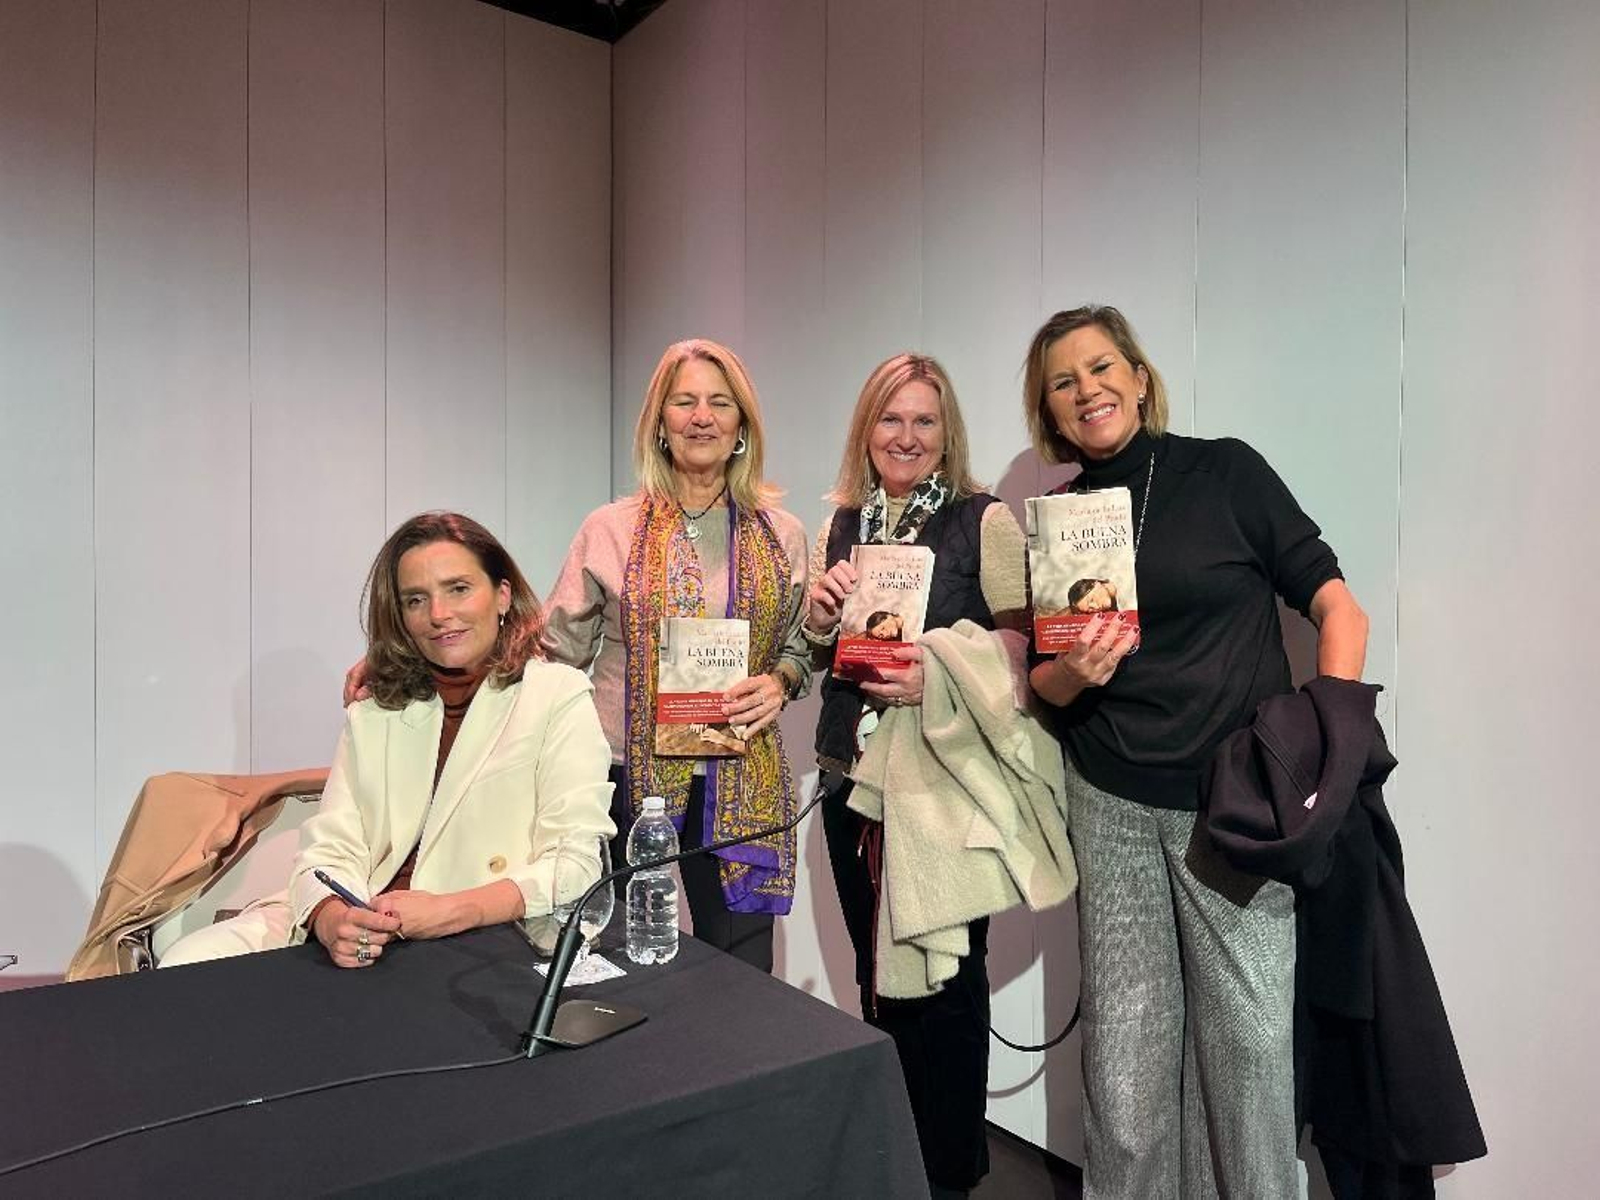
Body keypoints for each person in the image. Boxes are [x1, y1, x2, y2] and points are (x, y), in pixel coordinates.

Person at [1022, 305, 1369, 1197]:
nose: (1088, 389)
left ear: (1138, 377)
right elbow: (1044, 687)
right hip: (1108, 800)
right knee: (1128, 1066)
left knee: (1250, 1051)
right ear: (1050, 412)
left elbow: (1339, 608)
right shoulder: (1059, 519)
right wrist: (1073, 670)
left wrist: (1330, 747)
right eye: (1065, 382)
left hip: (1233, 804)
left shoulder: (1227, 473)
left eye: (1102, 368)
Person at [162, 512, 615, 967]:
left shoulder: (556, 694)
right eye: (416, 600)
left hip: (483, 931)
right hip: (364, 919)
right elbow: (329, 847)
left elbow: (575, 865)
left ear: (502, 595)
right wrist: (329, 916)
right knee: (190, 958)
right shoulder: (378, 707)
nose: (439, 615)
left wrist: (453, 909)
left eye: (458, 589)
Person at [804, 353, 1029, 1198]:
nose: (906, 436)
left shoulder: (984, 520)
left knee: (948, 983)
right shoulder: (845, 526)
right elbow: (832, 650)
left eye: (923, 421)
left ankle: (951, 1175)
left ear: (947, 433)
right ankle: (899, 1163)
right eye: (890, 419)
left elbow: (1021, 645)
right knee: (878, 973)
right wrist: (822, 614)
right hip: (848, 774)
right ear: (867, 428)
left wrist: (936, 672)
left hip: (939, 779)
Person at [538, 339, 812, 973]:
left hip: (740, 777)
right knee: (626, 968)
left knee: (741, 980)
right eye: (684, 401)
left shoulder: (783, 533)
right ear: (659, 422)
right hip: (624, 779)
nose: (702, 416)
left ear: (742, 424)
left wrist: (782, 681)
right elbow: (555, 651)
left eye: (720, 403)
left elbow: (801, 646)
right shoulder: (610, 528)